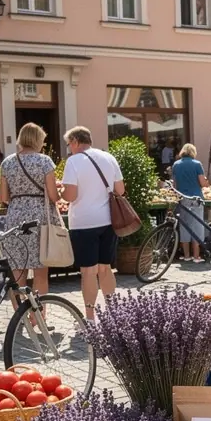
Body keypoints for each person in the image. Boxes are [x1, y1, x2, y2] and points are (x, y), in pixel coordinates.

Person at [61, 126, 125, 320]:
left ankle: (89, 317)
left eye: (68, 144)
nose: (69, 148)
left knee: (88, 271)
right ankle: (113, 314)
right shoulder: (108, 157)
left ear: (75, 141)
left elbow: (71, 195)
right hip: (108, 220)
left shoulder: (73, 162)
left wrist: (61, 191)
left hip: (83, 222)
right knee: (105, 268)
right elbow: (120, 190)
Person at [0, 123, 62, 302]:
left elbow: (3, 197)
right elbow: (53, 196)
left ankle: (20, 317)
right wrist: (60, 192)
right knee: (41, 270)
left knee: (18, 272)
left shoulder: (7, 162)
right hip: (39, 217)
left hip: (15, 217)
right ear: (37, 140)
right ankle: (38, 317)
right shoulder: (44, 161)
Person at [171, 143, 208, 263]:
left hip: (182, 198)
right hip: (196, 198)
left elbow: (175, 184)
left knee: (185, 226)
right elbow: (202, 183)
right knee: (196, 226)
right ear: (193, 152)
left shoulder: (176, 165)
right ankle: (196, 256)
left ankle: (186, 255)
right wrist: (207, 182)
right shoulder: (197, 164)